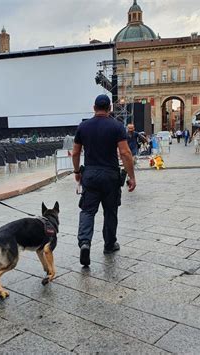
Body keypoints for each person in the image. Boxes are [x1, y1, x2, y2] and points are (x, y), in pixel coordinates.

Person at [72, 94, 136, 267]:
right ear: (110, 109)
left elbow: (76, 152)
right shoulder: (116, 126)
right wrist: (131, 176)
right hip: (110, 176)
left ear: (94, 108)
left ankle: (85, 243)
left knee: (87, 211)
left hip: (90, 175)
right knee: (110, 212)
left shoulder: (83, 127)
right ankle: (109, 244)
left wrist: (77, 172)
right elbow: (125, 153)